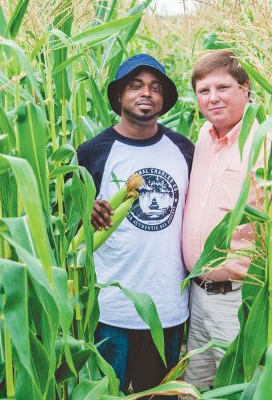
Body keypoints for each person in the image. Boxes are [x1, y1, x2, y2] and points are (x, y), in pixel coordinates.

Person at [76, 53, 194, 395]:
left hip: (168, 309)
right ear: (119, 96)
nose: (147, 93)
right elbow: (64, 220)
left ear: (164, 99)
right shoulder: (92, 153)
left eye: (155, 87)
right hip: (111, 310)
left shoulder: (183, 150)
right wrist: (85, 210)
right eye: (136, 86)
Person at [181, 50, 264, 389]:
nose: (212, 98)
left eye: (223, 88)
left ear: (245, 88)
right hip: (197, 295)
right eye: (204, 91)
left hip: (238, 300)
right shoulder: (203, 137)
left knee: (239, 389)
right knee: (195, 388)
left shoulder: (265, 141)